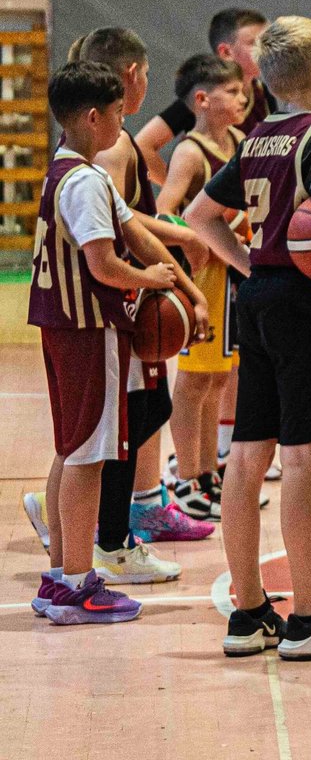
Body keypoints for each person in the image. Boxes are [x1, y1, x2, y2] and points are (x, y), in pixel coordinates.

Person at [186, 15, 311, 660]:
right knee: (303, 457)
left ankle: (248, 611)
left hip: (260, 301)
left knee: (248, 453)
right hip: (308, 307)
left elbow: (200, 217)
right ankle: (309, 617)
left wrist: (253, 267)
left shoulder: (258, 138)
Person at [29, 62, 199, 625]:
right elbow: (104, 263)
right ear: (94, 116)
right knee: (89, 458)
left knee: (74, 449)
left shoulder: (73, 170)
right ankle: (77, 584)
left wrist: (188, 288)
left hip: (64, 328)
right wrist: (154, 281)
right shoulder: (83, 181)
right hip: (87, 329)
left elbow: (136, 231)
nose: (124, 124)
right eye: (119, 114)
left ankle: (61, 575)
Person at [68, 29, 212, 566]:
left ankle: (90, 518)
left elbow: (132, 218)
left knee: (139, 412)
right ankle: (103, 533)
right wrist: (164, 271)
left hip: (123, 296)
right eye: (147, 75)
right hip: (110, 303)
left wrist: (177, 239)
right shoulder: (107, 150)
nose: (148, 85)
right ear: (131, 76)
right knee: (118, 422)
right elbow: (111, 227)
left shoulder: (114, 139)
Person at [155, 54, 250, 521]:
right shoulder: (191, 152)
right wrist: (197, 236)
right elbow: (164, 211)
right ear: (202, 99)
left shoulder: (240, 140)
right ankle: (186, 474)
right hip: (206, 275)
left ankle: (209, 470)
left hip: (235, 270)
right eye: (231, 91)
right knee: (194, 382)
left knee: (217, 378)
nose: (242, 96)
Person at [136, 7, 274, 179]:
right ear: (225, 52)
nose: (267, 50)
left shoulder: (264, 94)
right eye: (255, 43)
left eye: (268, 42)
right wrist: (178, 187)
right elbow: (142, 145)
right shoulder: (204, 97)